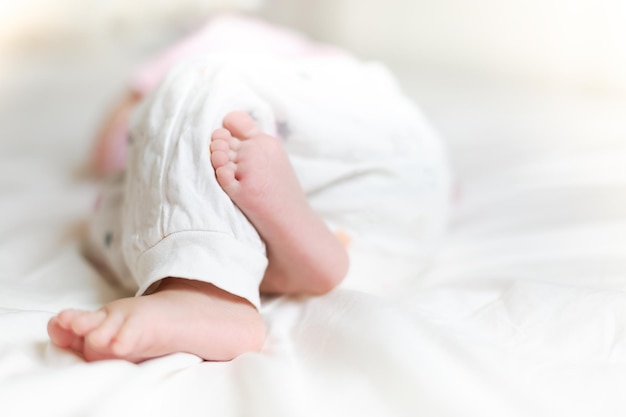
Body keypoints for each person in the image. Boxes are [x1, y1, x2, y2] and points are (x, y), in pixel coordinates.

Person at [47, 15, 451, 363]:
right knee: (127, 213)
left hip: (372, 141)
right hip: (400, 221)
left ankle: (204, 291)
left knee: (196, 79)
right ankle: (298, 247)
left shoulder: (225, 36)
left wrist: (134, 112)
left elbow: (106, 149)